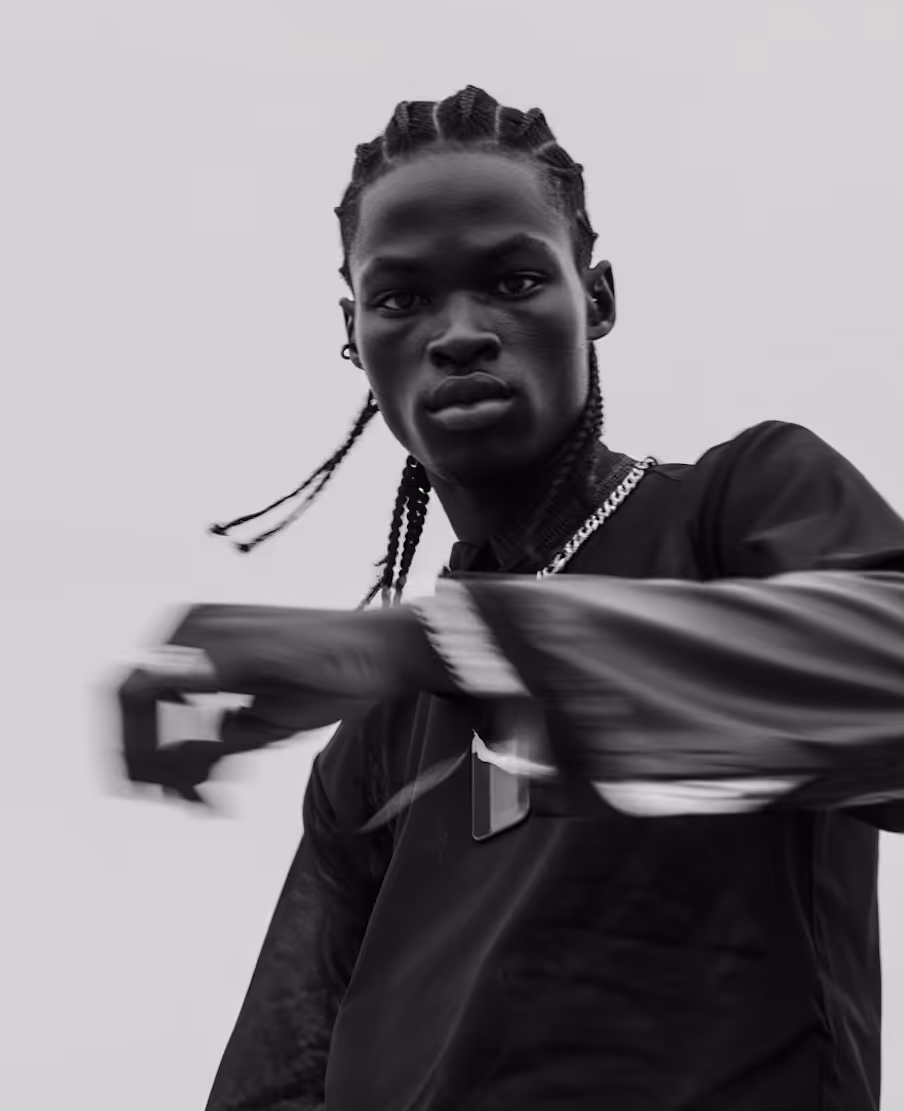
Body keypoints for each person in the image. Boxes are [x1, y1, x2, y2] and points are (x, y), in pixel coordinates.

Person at [118, 86, 904, 1111]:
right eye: (399, 299)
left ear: (599, 298)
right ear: (353, 336)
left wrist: (425, 650)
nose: (458, 332)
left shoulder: (741, 506)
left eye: (514, 280)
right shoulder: (374, 752)